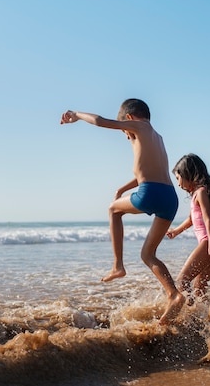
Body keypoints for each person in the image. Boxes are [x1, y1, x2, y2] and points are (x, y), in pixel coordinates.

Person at [60, 98, 185, 325]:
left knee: (113, 210)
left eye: (124, 131)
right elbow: (145, 173)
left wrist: (76, 114)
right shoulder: (157, 137)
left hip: (151, 193)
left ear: (129, 119)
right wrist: (122, 188)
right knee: (148, 254)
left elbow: (100, 121)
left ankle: (117, 265)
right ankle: (174, 295)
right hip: (169, 197)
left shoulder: (139, 126)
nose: (126, 136)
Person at [167, 154, 210, 305]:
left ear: (188, 174)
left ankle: (189, 316)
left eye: (178, 178)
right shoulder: (200, 193)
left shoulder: (200, 192)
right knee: (199, 289)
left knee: (182, 281)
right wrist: (176, 231)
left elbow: (208, 219)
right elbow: (190, 220)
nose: (178, 184)